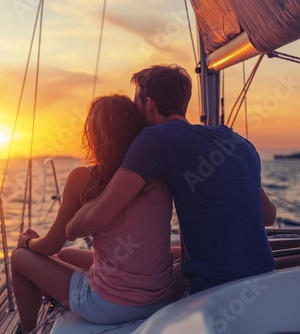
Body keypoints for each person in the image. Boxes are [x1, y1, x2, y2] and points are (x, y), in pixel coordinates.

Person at [66, 64, 276, 296]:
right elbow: (269, 216)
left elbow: (99, 215)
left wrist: (71, 227)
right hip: (264, 278)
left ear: (149, 104)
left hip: (212, 290)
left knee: (71, 263)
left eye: (136, 103)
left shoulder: (153, 139)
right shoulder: (238, 142)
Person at [11, 94, 175, 333]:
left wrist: (27, 241)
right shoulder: (157, 176)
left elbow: (50, 246)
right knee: (68, 255)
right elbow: (60, 251)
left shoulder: (83, 179)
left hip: (110, 306)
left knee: (19, 258)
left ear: (95, 134)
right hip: (161, 297)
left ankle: (26, 331)